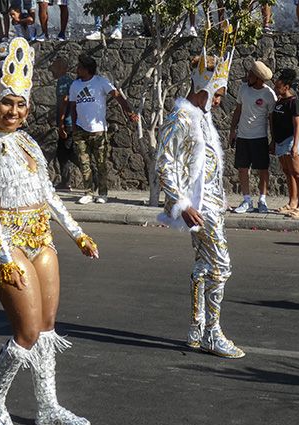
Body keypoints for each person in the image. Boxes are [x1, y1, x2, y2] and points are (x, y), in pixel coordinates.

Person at [0, 37, 98, 425]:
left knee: (48, 328)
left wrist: (77, 234)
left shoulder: (29, 143)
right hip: (7, 244)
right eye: (7, 103)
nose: (14, 111)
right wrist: (4, 258)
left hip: (42, 238)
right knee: (27, 332)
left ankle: (47, 406)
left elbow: (49, 196)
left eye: (20, 104)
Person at [156, 50, 245, 359]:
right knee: (221, 266)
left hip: (210, 202)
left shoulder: (202, 116)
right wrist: (181, 203)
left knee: (205, 264)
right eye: (217, 95)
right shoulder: (181, 117)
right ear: (203, 89)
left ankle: (196, 327)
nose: (219, 101)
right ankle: (212, 333)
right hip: (199, 206)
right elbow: (165, 163)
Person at [62, 54, 138, 205]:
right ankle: (88, 193)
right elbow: (72, 105)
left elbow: (117, 96)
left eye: (79, 67)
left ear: (87, 69)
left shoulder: (100, 82)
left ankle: (103, 193)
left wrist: (129, 112)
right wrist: (74, 125)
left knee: (101, 163)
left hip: (98, 130)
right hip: (80, 130)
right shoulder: (75, 85)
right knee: (85, 164)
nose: (76, 69)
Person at [229, 61, 276, 214]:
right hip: (243, 136)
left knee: (262, 169)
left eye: (251, 75)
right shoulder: (243, 89)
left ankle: (262, 200)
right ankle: (247, 200)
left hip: (260, 137)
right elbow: (238, 110)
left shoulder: (269, 94)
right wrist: (232, 130)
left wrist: (273, 140)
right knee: (242, 169)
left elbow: (271, 119)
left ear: (258, 78)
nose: (247, 76)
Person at [270, 69, 299, 220]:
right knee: (287, 171)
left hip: (291, 140)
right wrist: (273, 140)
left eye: (278, 87)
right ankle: (292, 202)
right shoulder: (279, 101)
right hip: (279, 141)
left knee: (298, 173)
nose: (275, 89)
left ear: (286, 87)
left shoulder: (294, 102)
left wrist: (295, 146)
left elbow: (297, 125)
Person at [51, 57, 74, 190]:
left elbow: (62, 104)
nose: (52, 71)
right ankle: (65, 182)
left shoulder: (63, 82)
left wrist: (61, 124)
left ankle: (93, 177)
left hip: (66, 123)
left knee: (70, 153)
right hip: (70, 122)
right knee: (63, 153)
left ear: (61, 68)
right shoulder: (70, 81)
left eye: (54, 67)